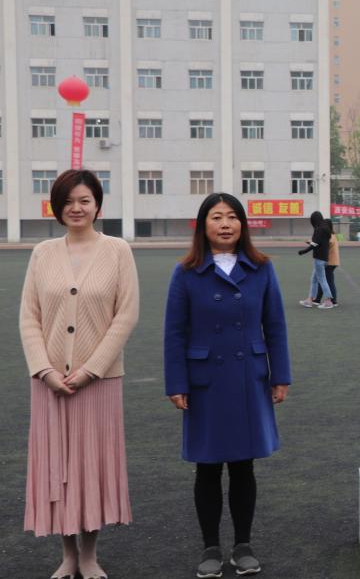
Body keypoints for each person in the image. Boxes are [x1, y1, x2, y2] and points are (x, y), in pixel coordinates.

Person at [20, 169, 139, 579]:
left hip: (99, 382)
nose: (77, 208)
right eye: (68, 201)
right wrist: (44, 369)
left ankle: (89, 555)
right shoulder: (42, 253)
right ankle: (67, 555)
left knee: (91, 467)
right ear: (57, 208)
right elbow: (29, 318)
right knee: (58, 467)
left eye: (84, 200)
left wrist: (92, 369)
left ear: (97, 205)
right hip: (49, 382)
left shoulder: (118, 250)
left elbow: (125, 315)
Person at [164, 193, 291, 578]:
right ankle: (210, 547)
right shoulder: (186, 272)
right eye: (216, 217)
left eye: (232, 217)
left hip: (247, 377)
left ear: (242, 225)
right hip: (204, 381)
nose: (225, 224)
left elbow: (275, 326)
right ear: (203, 225)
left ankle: (243, 545)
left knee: (242, 464)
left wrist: (280, 375)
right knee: (207, 466)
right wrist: (176, 383)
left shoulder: (261, 268)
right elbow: (175, 333)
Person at [298, 210, 335, 309]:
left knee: (322, 279)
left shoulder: (319, 230)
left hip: (319, 258)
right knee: (314, 279)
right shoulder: (326, 229)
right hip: (324, 258)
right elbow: (319, 244)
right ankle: (309, 300)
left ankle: (328, 301)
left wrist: (304, 251)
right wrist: (310, 244)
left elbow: (315, 244)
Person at [311, 217, 340, 306]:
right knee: (323, 280)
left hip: (330, 262)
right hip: (331, 262)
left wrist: (313, 244)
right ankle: (317, 299)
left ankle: (333, 301)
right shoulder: (332, 235)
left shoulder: (330, 236)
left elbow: (325, 245)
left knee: (328, 281)